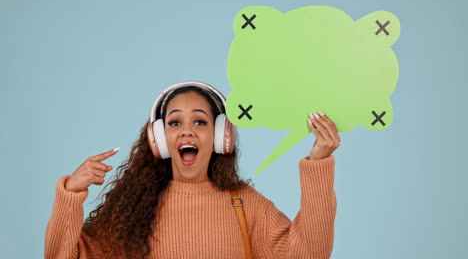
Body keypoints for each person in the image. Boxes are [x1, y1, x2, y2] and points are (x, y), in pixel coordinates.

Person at [45, 81, 340, 259]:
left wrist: (318, 164)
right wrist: (72, 192)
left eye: (199, 122)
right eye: (175, 123)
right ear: (159, 139)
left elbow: (309, 254)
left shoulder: (242, 203)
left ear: (220, 137)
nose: (187, 132)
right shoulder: (132, 211)